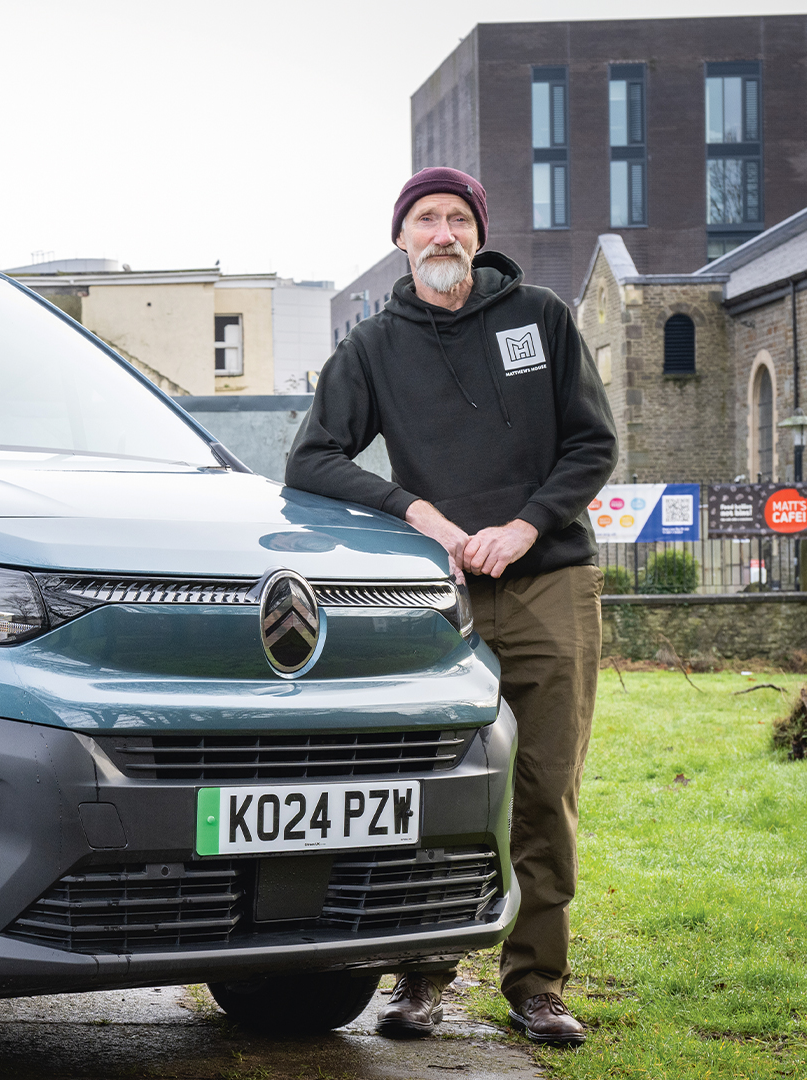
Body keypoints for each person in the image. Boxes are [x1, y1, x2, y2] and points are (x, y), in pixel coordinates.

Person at [286, 167, 615, 1047]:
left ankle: (536, 983)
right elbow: (312, 459)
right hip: (441, 601)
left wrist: (524, 526)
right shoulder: (373, 346)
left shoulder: (539, 317)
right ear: (401, 238)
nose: (442, 233)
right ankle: (422, 978)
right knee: (433, 787)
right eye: (425, 219)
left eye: (457, 219)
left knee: (545, 792)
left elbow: (594, 443)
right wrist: (416, 513)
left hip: (549, 583)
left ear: (478, 234)